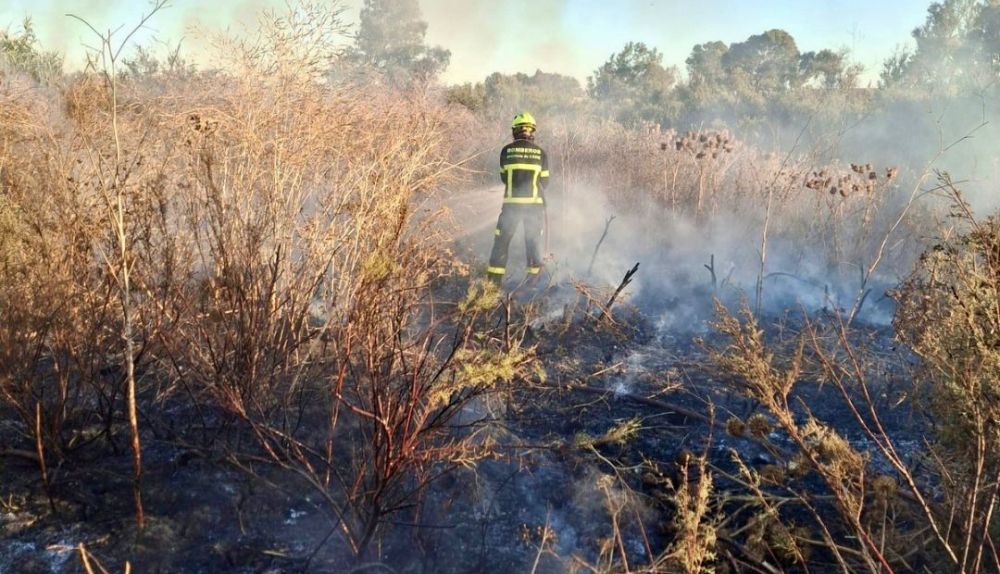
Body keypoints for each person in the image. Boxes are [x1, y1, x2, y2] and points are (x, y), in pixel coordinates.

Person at [487, 112, 550, 287]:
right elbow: (545, 182)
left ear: (515, 131)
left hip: (511, 207)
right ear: (533, 131)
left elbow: (503, 177)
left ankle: (492, 286)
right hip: (534, 207)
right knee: (533, 243)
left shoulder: (506, 151)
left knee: (501, 243)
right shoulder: (541, 153)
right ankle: (533, 286)